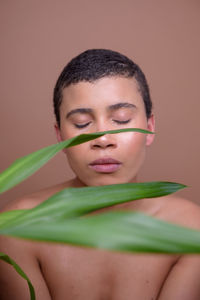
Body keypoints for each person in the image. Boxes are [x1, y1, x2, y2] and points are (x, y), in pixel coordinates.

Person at [1, 49, 200, 300]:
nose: (103, 139)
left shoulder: (190, 230)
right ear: (60, 136)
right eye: (82, 124)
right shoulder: (17, 226)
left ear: (150, 127)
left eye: (121, 119)